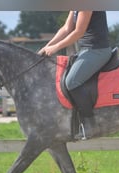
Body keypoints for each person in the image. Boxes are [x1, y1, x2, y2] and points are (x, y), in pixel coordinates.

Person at [38, 11, 111, 140]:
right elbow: (67, 28)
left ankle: (90, 124)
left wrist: (55, 48)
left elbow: (78, 32)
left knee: (71, 81)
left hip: (97, 50)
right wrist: (47, 46)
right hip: (85, 51)